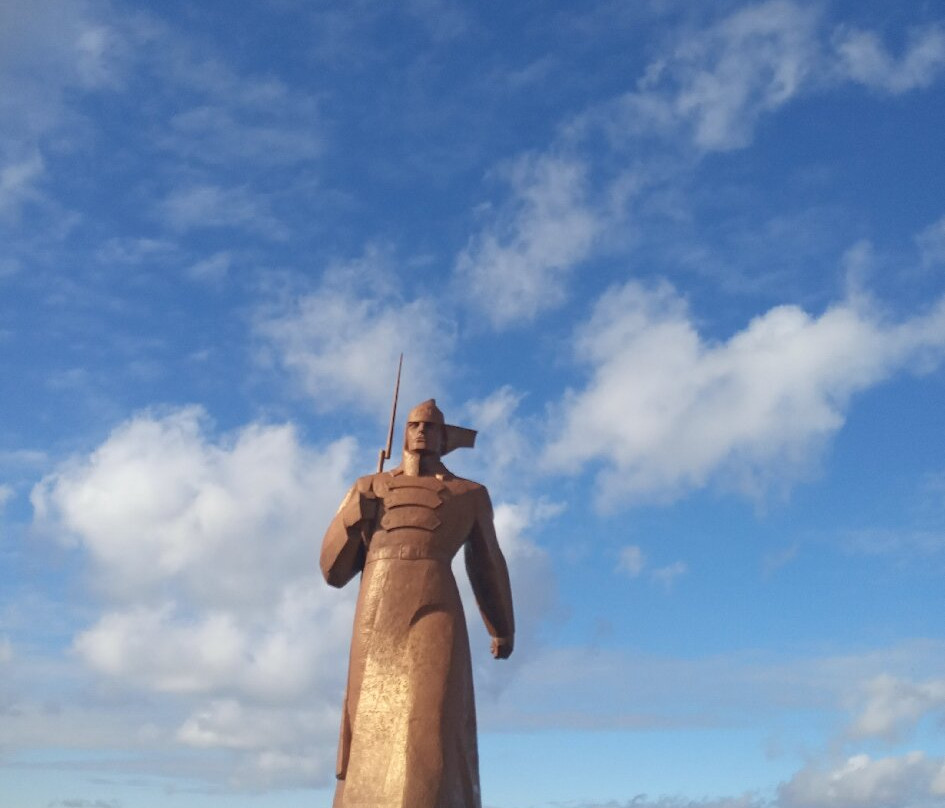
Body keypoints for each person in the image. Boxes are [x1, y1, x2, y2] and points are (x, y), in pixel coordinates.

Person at [320, 399, 514, 808]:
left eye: (430, 426)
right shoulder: (366, 486)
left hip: (435, 601)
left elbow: (488, 562)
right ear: (404, 432)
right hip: (376, 607)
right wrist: (355, 517)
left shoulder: (470, 493)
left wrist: (502, 626)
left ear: (446, 437)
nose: (421, 431)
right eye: (413, 425)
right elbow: (332, 572)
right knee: (370, 720)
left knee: (433, 718)